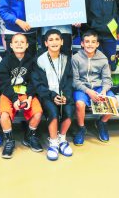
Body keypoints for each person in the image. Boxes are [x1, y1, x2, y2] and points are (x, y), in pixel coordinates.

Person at [0, 33, 43, 159]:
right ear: (10, 45)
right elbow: (2, 83)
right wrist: (14, 98)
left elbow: (35, 81)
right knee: (4, 115)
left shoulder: (32, 61)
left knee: (38, 113)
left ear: (27, 45)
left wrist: (29, 96)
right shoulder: (5, 61)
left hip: (26, 93)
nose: (19, 44)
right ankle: (9, 140)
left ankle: (30, 136)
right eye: (16, 42)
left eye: (22, 42)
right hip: (10, 93)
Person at [32, 29, 74, 161]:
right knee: (53, 112)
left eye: (57, 39)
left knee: (69, 110)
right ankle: (54, 142)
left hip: (63, 94)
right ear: (45, 43)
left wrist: (66, 94)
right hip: (47, 94)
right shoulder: (40, 60)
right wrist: (52, 95)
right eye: (51, 40)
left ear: (62, 42)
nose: (54, 42)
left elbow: (69, 79)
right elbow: (38, 84)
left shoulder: (67, 58)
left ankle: (62, 138)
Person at [72, 30, 118, 145]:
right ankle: (81, 128)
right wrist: (88, 91)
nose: (90, 44)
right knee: (80, 104)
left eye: (93, 42)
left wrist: (104, 90)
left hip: (98, 88)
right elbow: (74, 81)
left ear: (97, 44)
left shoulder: (103, 58)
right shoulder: (76, 58)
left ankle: (101, 123)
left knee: (114, 102)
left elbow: (107, 79)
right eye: (87, 42)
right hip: (82, 88)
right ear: (82, 43)